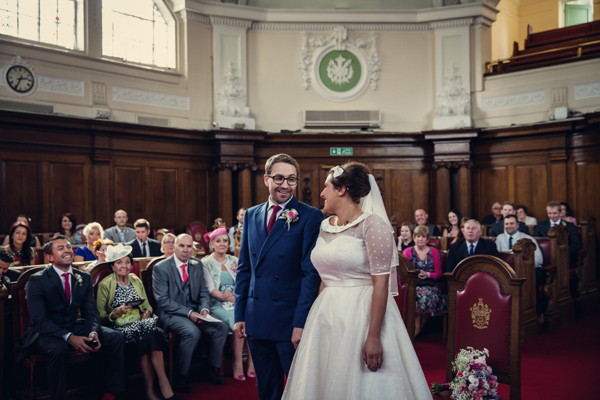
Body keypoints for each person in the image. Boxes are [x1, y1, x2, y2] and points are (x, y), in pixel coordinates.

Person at [282, 163, 432, 400]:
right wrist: (311, 322)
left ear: (341, 189)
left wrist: (373, 336)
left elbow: (381, 284)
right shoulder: (324, 226)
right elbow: (323, 276)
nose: (321, 194)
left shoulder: (373, 225)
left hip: (361, 315)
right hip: (325, 314)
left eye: (326, 187)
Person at [234, 153, 323, 400]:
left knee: (298, 390)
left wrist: (301, 322)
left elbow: (310, 274)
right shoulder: (251, 214)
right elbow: (244, 269)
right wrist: (240, 314)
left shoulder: (309, 215)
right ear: (266, 179)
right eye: (279, 178)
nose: (285, 185)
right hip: (256, 317)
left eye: (291, 179)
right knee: (267, 389)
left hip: (288, 320)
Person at [21, 236, 125, 400]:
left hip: (73, 324)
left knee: (115, 337)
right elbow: (39, 321)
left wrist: (93, 333)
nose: (67, 250)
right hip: (44, 332)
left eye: (69, 247)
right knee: (58, 349)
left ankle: (110, 392)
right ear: (49, 257)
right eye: (60, 248)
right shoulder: (37, 280)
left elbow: (91, 312)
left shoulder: (82, 277)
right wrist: (69, 337)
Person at [96, 244, 175, 400]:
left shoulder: (135, 280)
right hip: (120, 328)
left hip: (141, 324)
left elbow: (148, 306)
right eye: (119, 263)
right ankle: (164, 383)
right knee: (153, 332)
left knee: (147, 338)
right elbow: (100, 316)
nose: (124, 266)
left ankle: (151, 391)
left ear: (131, 264)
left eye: (127, 262)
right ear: (112, 266)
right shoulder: (105, 284)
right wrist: (115, 314)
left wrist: (146, 313)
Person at [153, 234, 229, 393]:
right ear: (174, 246)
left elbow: (203, 293)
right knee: (192, 332)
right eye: (182, 246)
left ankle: (210, 369)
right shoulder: (161, 268)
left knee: (221, 327)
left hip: (195, 311)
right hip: (171, 314)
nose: (185, 250)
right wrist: (189, 313)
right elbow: (163, 301)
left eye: (189, 247)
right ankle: (181, 377)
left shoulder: (197, 264)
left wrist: (204, 310)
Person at [202, 227, 255, 381]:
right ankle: (237, 363)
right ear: (212, 244)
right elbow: (211, 289)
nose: (222, 243)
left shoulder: (235, 261)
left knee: (252, 315)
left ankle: (251, 362)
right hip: (217, 303)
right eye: (218, 241)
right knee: (235, 318)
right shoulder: (206, 262)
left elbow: (244, 283)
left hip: (236, 299)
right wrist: (228, 298)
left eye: (225, 241)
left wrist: (237, 298)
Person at [495, 215, 544, 314]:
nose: (509, 226)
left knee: (529, 279)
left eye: (512, 223)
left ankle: (533, 313)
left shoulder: (527, 239)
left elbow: (539, 260)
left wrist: (524, 267)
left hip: (528, 270)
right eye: (506, 224)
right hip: (508, 272)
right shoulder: (499, 238)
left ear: (517, 225)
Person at [402, 225, 445, 337]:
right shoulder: (407, 251)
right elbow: (404, 272)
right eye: (418, 236)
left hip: (431, 285)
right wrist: (415, 275)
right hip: (413, 284)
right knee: (415, 296)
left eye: (423, 236)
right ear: (414, 238)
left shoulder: (434, 252)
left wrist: (427, 274)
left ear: (427, 239)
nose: (420, 239)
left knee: (426, 296)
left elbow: (439, 274)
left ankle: (417, 328)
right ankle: (417, 327)